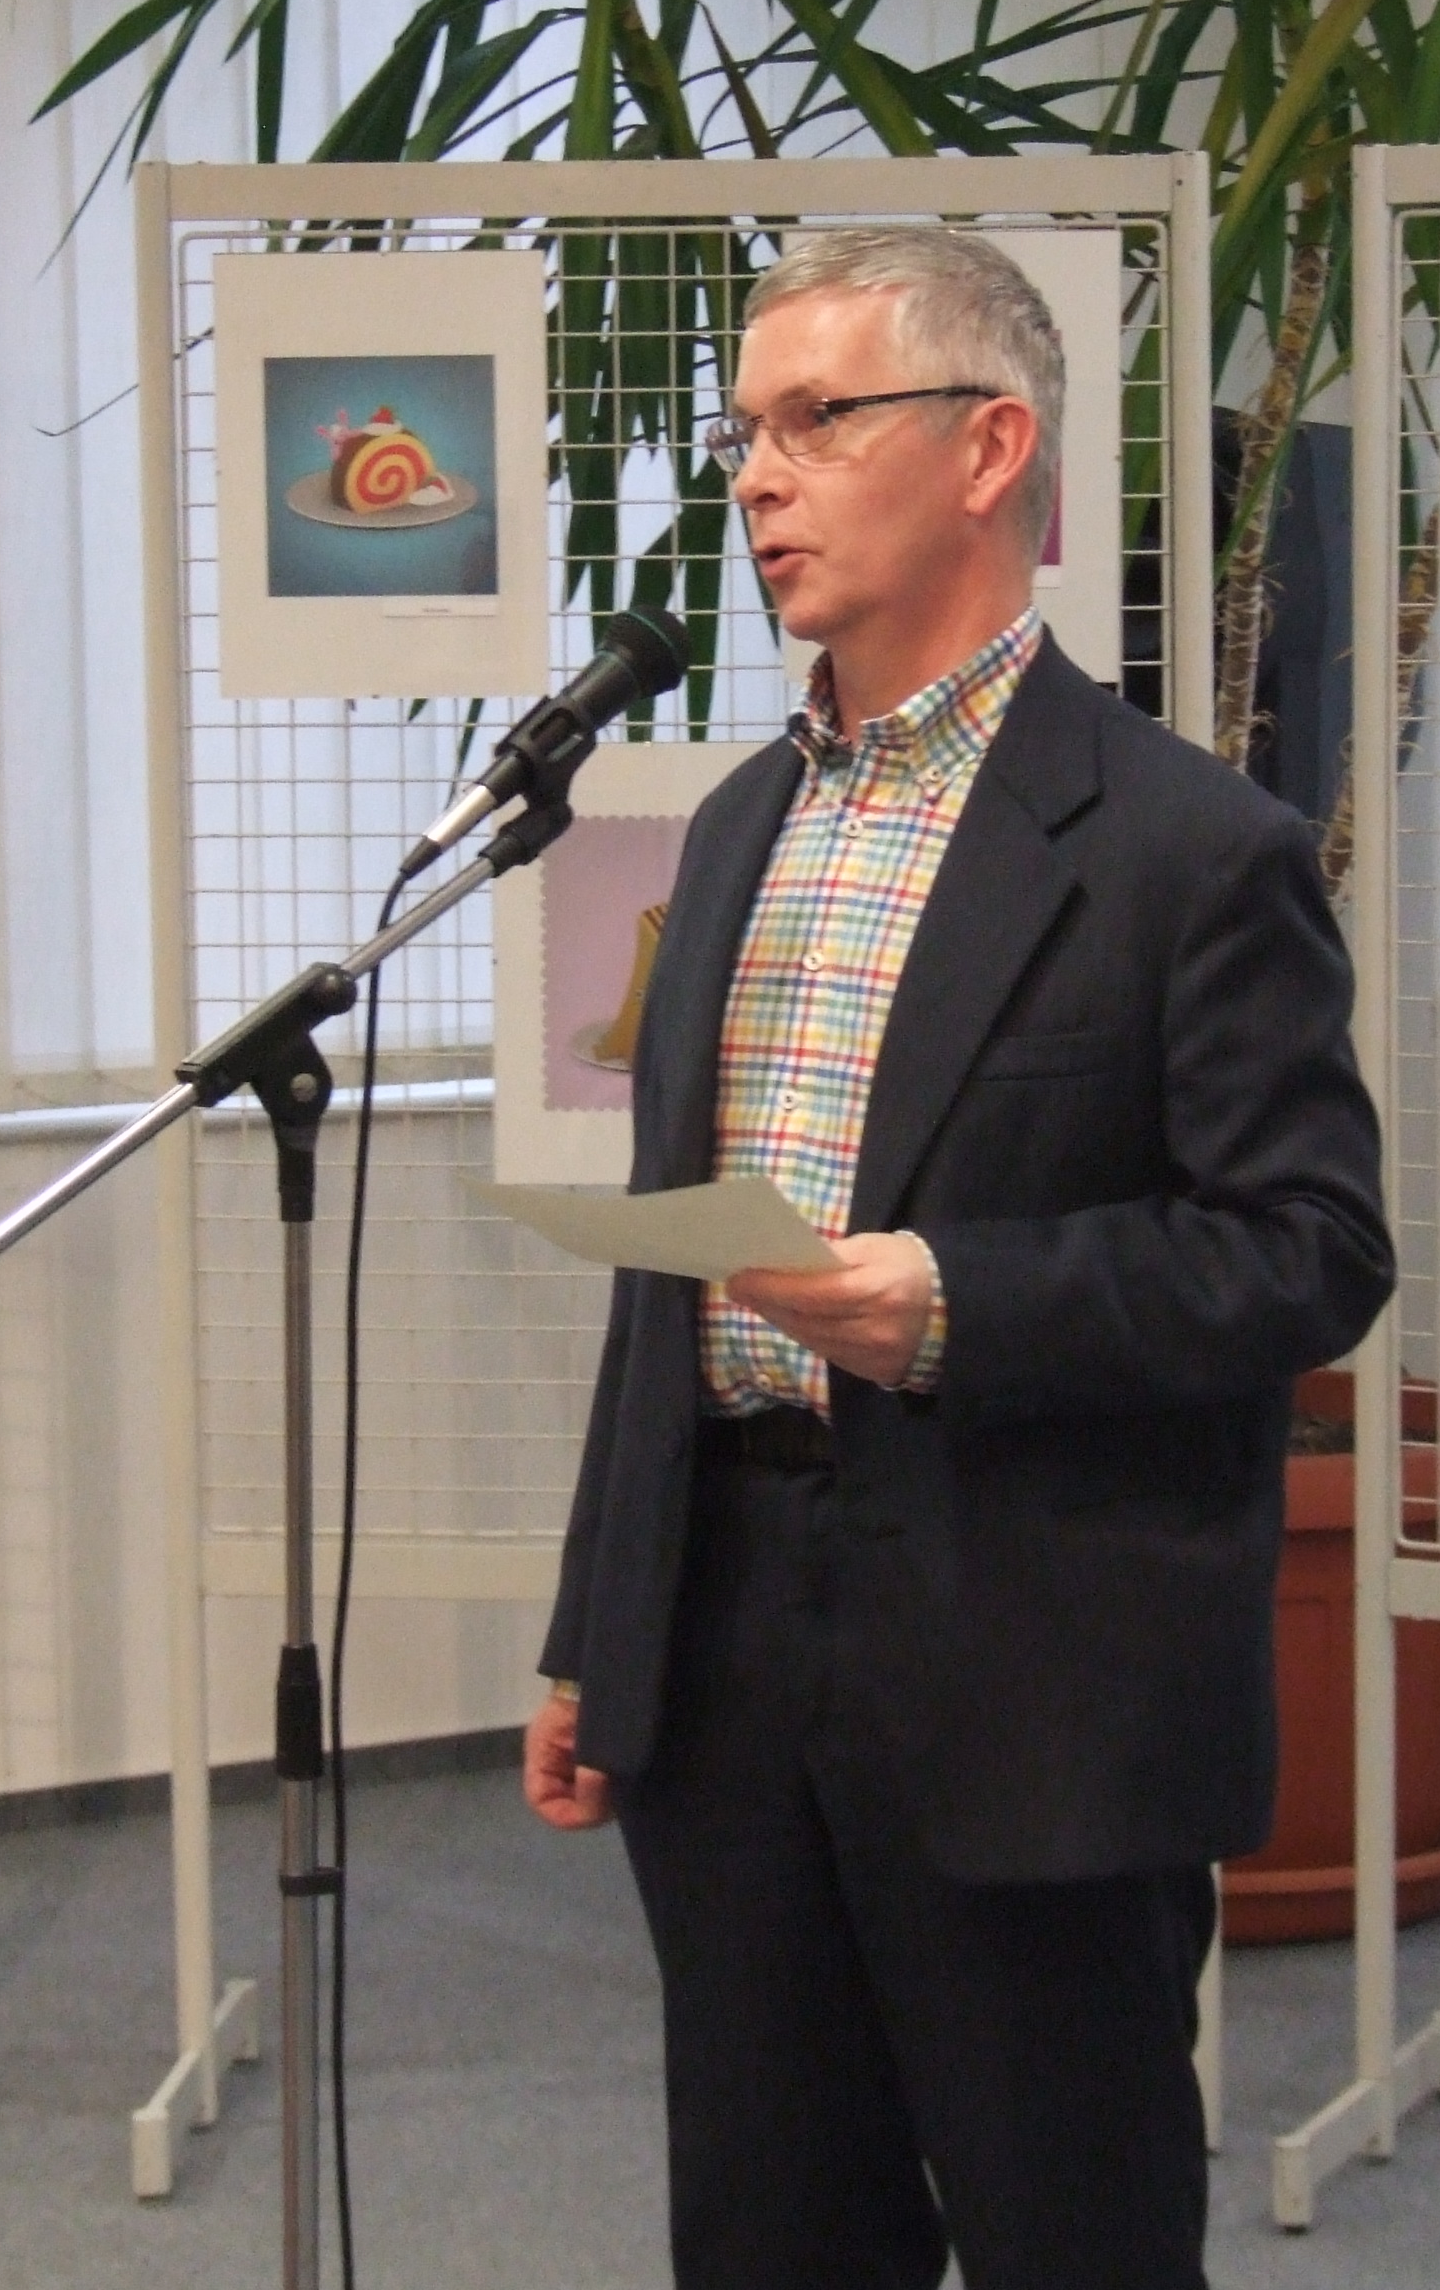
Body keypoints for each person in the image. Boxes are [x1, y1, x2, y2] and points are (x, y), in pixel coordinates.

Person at [520, 226, 1394, 2290]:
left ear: (990, 448)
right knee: (768, 2222)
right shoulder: (733, 825)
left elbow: (1307, 1253)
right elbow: (673, 1282)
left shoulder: (1191, 848)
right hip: (727, 1638)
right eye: (745, 431)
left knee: (1066, 2227)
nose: (757, 475)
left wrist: (953, 1305)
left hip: (1032, 1656)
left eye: (816, 419)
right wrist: (600, 1628)